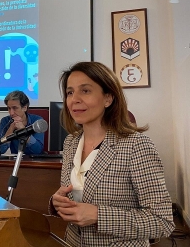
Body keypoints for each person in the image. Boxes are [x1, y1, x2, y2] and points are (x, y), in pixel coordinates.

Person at [49, 62, 174, 246]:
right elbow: (75, 199)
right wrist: (56, 203)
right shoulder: (70, 143)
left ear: (108, 98)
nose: (74, 99)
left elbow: (162, 221)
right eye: (69, 92)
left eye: (85, 91)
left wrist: (98, 216)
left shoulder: (136, 145)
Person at [0, 90, 44, 155]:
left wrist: (23, 130)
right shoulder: (5, 121)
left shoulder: (37, 121)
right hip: (15, 160)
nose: (11, 113)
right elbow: (1, 150)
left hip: (34, 161)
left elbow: (38, 150)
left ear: (24, 108)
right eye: (9, 108)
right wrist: (11, 129)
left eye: (15, 108)